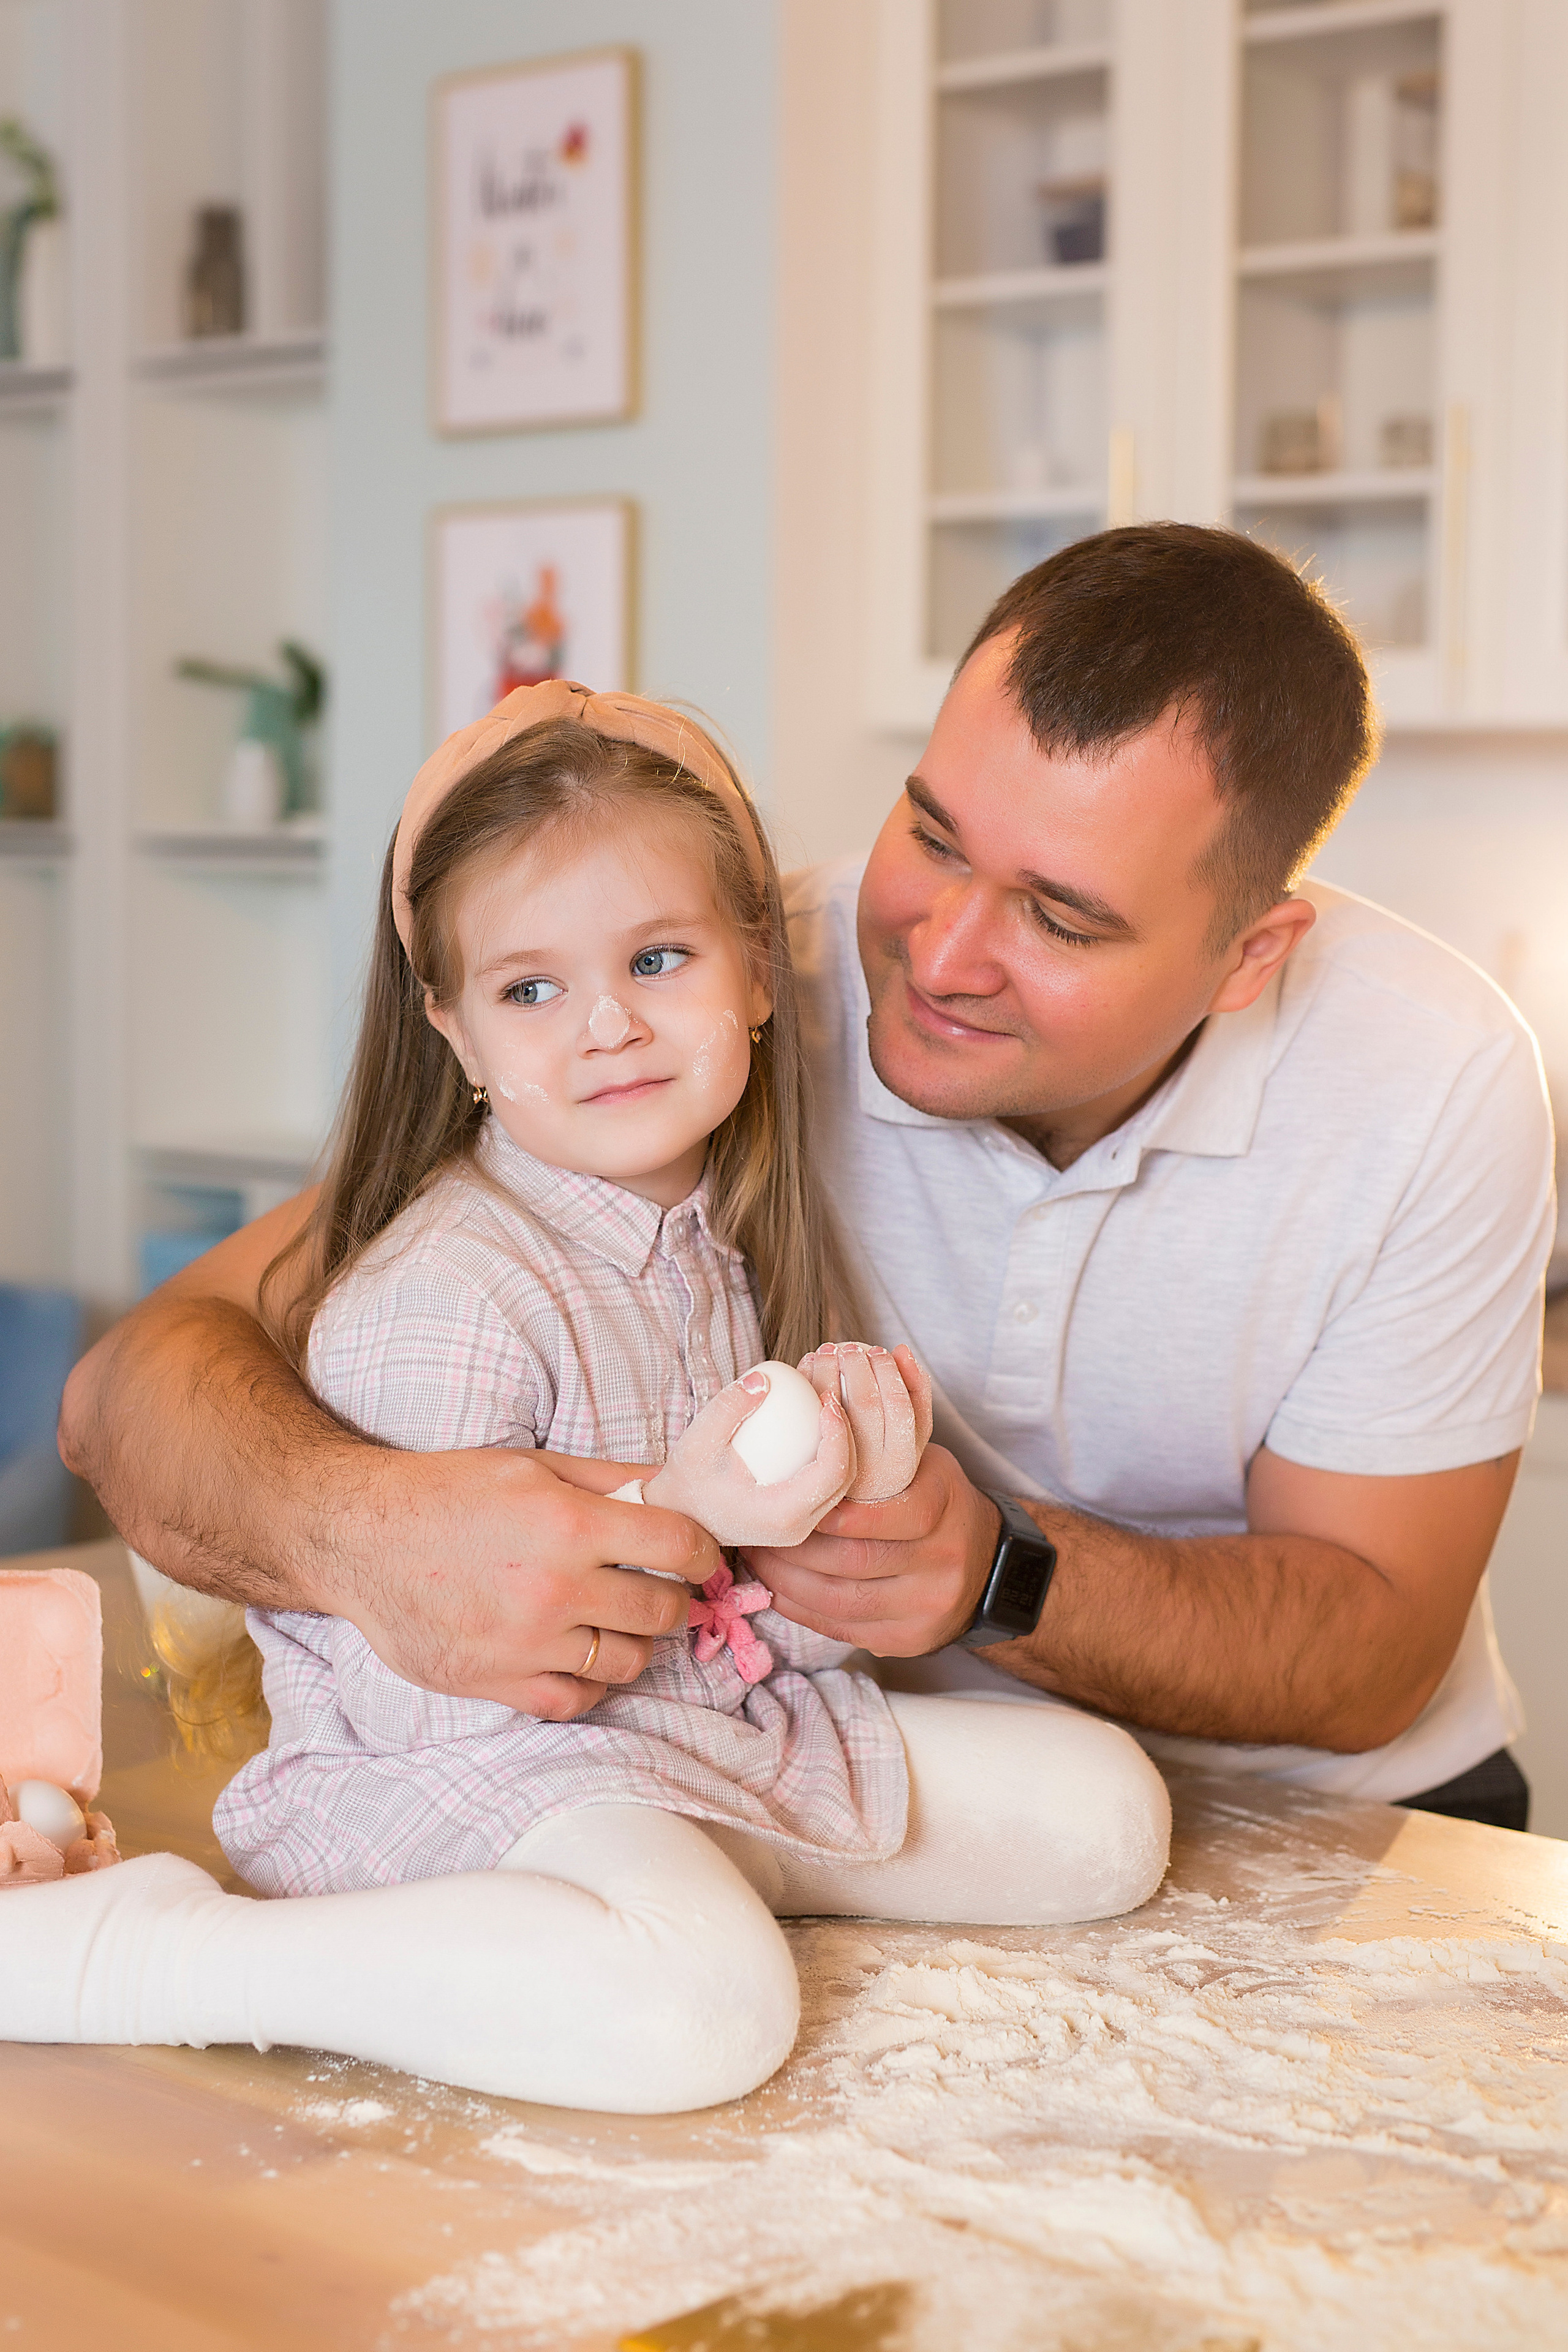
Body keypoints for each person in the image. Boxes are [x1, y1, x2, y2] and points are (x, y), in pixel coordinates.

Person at [61, 526, 1554, 1832]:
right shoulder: (710, 987)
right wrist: (373, 1534)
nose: (940, 956)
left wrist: (991, 1577)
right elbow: (131, 1389)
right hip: (857, 1775)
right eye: (932, 833)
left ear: (1246, 957)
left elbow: (1373, 1653)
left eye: (1058, 917)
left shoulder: (1428, 1080)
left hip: (1346, 1823)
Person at [6, 684, 1169, 2116]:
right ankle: (148, 1955)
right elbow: (430, 1685)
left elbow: (747, 1630)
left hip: (683, 1744)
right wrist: (687, 1514)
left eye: (659, 958)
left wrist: (835, 1506)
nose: (607, 1025)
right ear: (456, 1034)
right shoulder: (441, 1294)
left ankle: (674, 1886)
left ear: (758, 971)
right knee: (699, 2011)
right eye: (531, 989)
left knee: (1107, 1818)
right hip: (472, 1769)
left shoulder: (703, 1253)